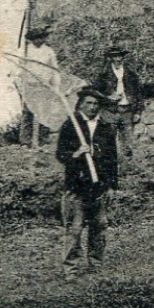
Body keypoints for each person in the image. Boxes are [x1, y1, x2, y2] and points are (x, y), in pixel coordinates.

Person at [54, 88, 120, 279]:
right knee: (74, 230)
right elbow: (60, 154)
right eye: (89, 103)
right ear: (81, 104)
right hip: (77, 187)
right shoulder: (71, 125)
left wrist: (111, 186)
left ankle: (96, 266)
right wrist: (76, 153)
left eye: (96, 104)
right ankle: (71, 270)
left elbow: (112, 160)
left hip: (98, 188)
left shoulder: (106, 128)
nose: (92, 107)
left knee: (99, 229)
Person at [13, 25, 64, 146]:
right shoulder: (24, 50)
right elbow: (16, 67)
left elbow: (54, 69)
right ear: (32, 39)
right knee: (28, 112)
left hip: (44, 85)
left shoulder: (49, 51)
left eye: (42, 37)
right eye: (37, 38)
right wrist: (20, 76)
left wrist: (56, 85)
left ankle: (43, 140)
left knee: (44, 111)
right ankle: (25, 141)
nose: (40, 40)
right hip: (29, 85)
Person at [92, 47, 144, 164]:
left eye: (120, 56)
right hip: (110, 111)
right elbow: (95, 92)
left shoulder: (131, 74)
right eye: (115, 56)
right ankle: (110, 164)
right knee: (108, 139)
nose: (118, 59)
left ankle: (129, 165)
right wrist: (108, 97)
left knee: (128, 140)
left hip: (127, 110)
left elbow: (139, 94)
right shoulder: (103, 75)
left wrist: (137, 112)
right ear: (110, 58)